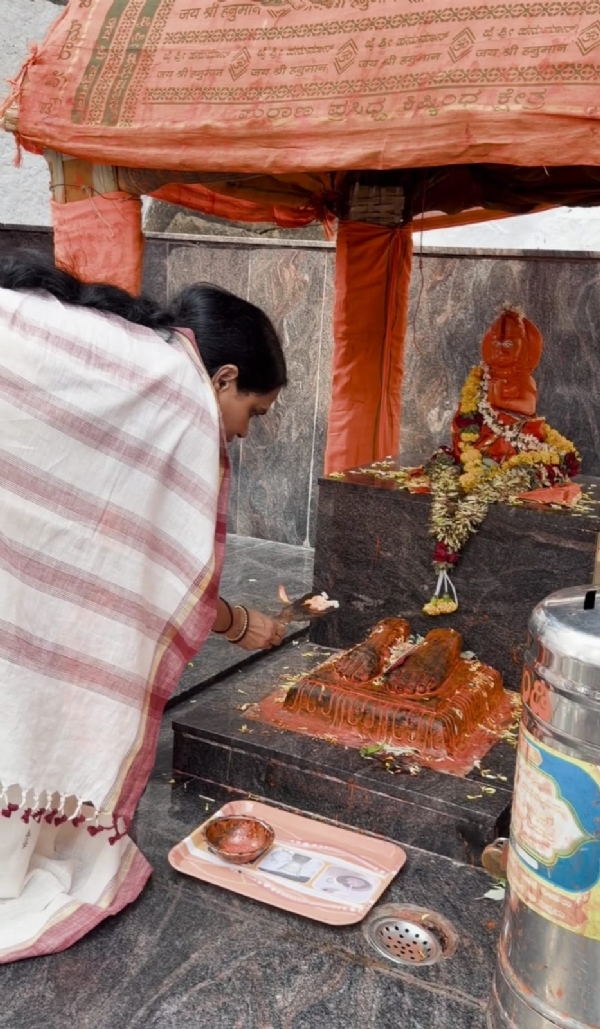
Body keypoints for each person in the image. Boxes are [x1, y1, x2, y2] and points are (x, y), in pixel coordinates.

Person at [0, 251, 287, 962]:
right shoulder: (173, 392)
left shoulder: (136, 361)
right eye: (253, 410)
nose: (246, 433)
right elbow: (148, 575)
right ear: (222, 378)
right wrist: (241, 623)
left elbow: (116, 556)